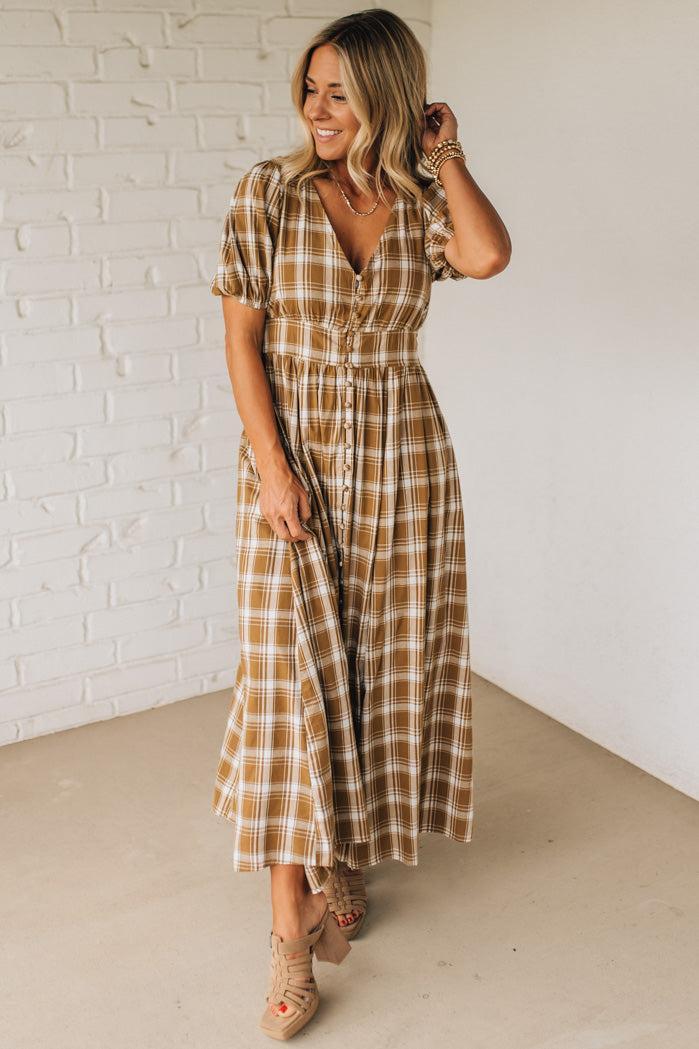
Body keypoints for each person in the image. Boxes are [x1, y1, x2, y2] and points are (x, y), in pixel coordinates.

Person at [209, 8, 511, 1040]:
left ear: (384, 95)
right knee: (289, 682)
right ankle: (290, 935)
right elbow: (242, 341)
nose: (317, 109)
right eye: (311, 87)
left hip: (404, 461)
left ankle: (344, 855)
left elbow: (487, 256)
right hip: (295, 464)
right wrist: (272, 467)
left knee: (375, 670)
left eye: (340, 91)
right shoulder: (270, 193)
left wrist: (446, 151)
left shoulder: (420, 201)